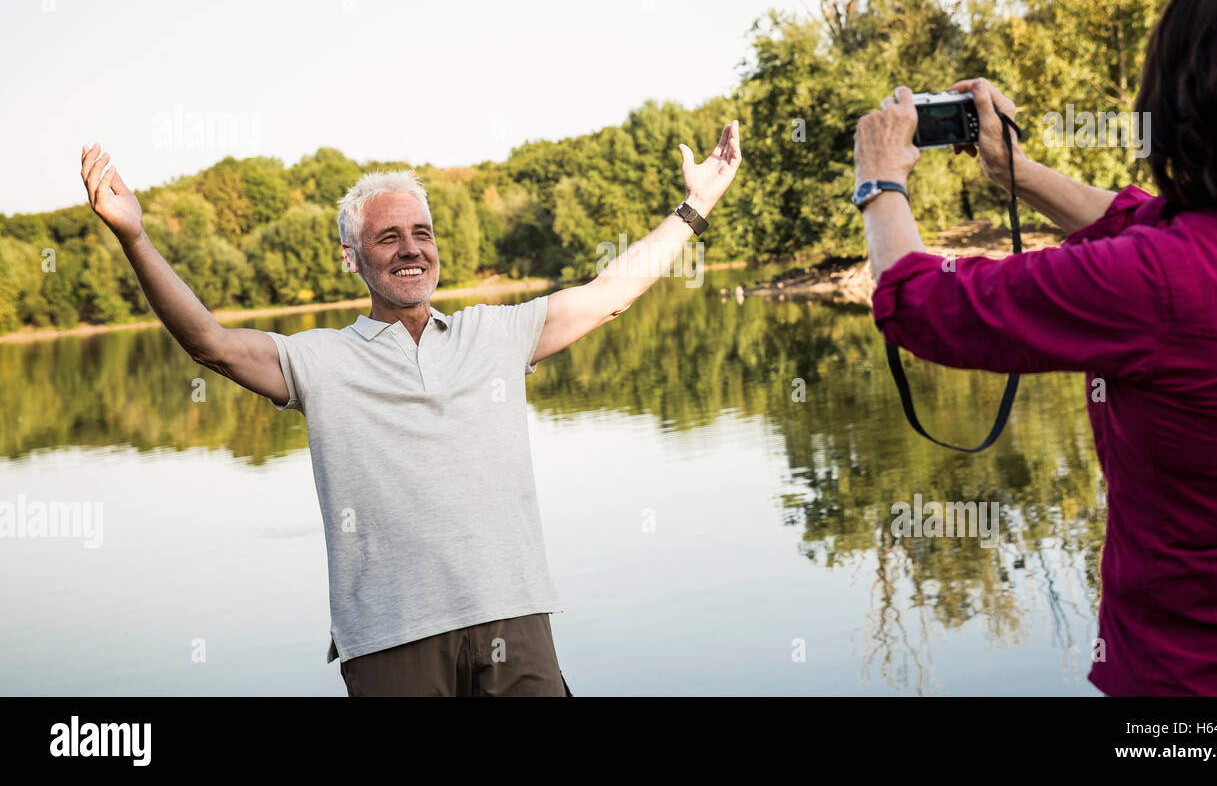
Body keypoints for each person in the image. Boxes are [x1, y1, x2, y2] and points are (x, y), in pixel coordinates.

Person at [79, 121, 741, 696]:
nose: (410, 248)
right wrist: (134, 237)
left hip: (514, 619)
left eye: (421, 233)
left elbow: (609, 294)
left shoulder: (496, 334)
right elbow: (211, 344)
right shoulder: (320, 361)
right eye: (388, 236)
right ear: (352, 258)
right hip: (392, 639)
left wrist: (695, 206)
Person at [851, 0, 1217, 696]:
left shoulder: (1161, 280)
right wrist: (1016, 172)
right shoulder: (1215, 251)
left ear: (1185, 95)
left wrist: (879, 181)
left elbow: (922, 301)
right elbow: (1138, 218)